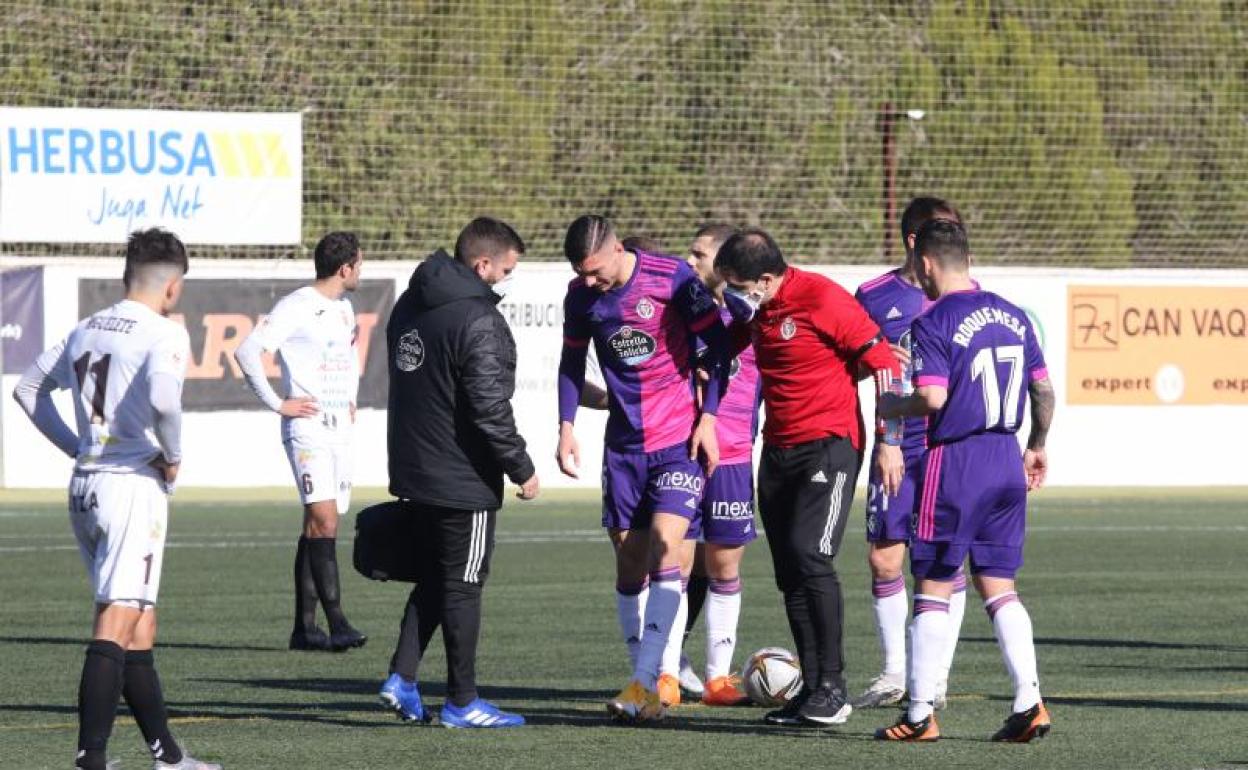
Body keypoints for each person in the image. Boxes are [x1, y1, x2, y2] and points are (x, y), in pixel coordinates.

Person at [12, 229, 220, 770]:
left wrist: (76, 446)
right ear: (172, 287)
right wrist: (172, 454)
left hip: (86, 484)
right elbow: (164, 398)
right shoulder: (164, 333)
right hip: (129, 487)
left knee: (137, 624)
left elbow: (27, 389)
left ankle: (169, 757)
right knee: (115, 621)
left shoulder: (87, 328)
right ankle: (91, 760)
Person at [874, 219, 1054, 743]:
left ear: (926, 264)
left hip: (956, 461)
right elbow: (1044, 392)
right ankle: (1029, 701)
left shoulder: (934, 320)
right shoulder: (1015, 314)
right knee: (1000, 586)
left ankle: (918, 713)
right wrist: (1037, 446)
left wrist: (893, 405)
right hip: (1005, 458)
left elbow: (931, 398)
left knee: (932, 584)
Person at [714, 229, 901, 727]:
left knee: (811, 557)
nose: (732, 293)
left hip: (830, 445)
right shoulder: (752, 312)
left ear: (767, 278)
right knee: (788, 571)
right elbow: (722, 351)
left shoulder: (822, 298)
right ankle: (815, 688)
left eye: (737, 285)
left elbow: (883, 363)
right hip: (776, 450)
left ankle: (834, 687)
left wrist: (889, 439)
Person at [556, 214, 730, 722]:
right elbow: (570, 364)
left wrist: (711, 417)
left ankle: (644, 681)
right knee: (630, 561)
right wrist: (566, 426)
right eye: (580, 274)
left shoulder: (671, 277)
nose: (589, 282)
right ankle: (646, 686)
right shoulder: (581, 297)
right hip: (624, 448)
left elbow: (719, 346)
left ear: (614, 249)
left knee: (664, 545)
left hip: (678, 440)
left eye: (594, 271)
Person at [379, 216, 540, 729]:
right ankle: (462, 701)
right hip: (462, 478)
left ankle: (402, 679)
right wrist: (521, 466)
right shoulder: (478, 319)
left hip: (414, 470)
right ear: (482, 263)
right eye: (506, 270)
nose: (506, 280)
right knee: (464, 586)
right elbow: (488, 406)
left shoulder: (410, 304)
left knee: (433, 578)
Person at [852, 197, 968, 710]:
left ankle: (935, 677)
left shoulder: (968, 294)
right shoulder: (873, 295)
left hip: (945, 445)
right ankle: (895, 672)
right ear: (914, 243)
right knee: (883, 559)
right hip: (894, 445)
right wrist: (886, 437)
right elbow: (847, 363)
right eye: (942, 231)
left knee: (941, 560)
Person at [234, 232, 367, 652]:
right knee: (324, 520)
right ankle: (338, 623)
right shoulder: (297, 305)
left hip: (337, 429)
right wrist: (278, 403)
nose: (360, 271)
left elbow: (345, 363)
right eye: (359, 264)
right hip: (306, 428)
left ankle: (304, 629)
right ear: (345, 268)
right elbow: (247, 352)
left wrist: (350, 400)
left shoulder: (345, 309)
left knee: (320, 524)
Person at [682, 223, 762, 707]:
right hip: (682, 452)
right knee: (672, 560)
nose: (689, 262)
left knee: (723, 565)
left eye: (699, 255)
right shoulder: (678, 313)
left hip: (731, 455)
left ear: (727, 266)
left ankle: (717, 677)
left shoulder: (749, 319)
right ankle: (665, 667)